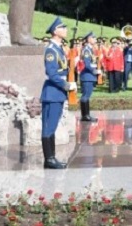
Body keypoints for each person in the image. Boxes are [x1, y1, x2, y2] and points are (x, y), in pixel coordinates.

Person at [41, 17, 77, 169]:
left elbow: (63, 70)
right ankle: (49, 159)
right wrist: (67, 85)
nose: (66, 30)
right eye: (63, 27)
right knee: (49, 127)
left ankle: (51, 158)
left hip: (57, 93)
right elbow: (52, 74)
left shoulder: (59, 49)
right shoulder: (51, 50)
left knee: (52, 127)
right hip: (52, 94)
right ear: (55, 31)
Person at [78, 32, 99, 122]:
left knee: (87, 95)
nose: (95, 40)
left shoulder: (90, 49)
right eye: (93, 38)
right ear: (89, 39)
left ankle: (86, 115)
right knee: (85, 95)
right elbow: (87, 64)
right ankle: (85, 116)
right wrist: (95, 71)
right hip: (87, 75)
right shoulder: (87, 50)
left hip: (90, 75)